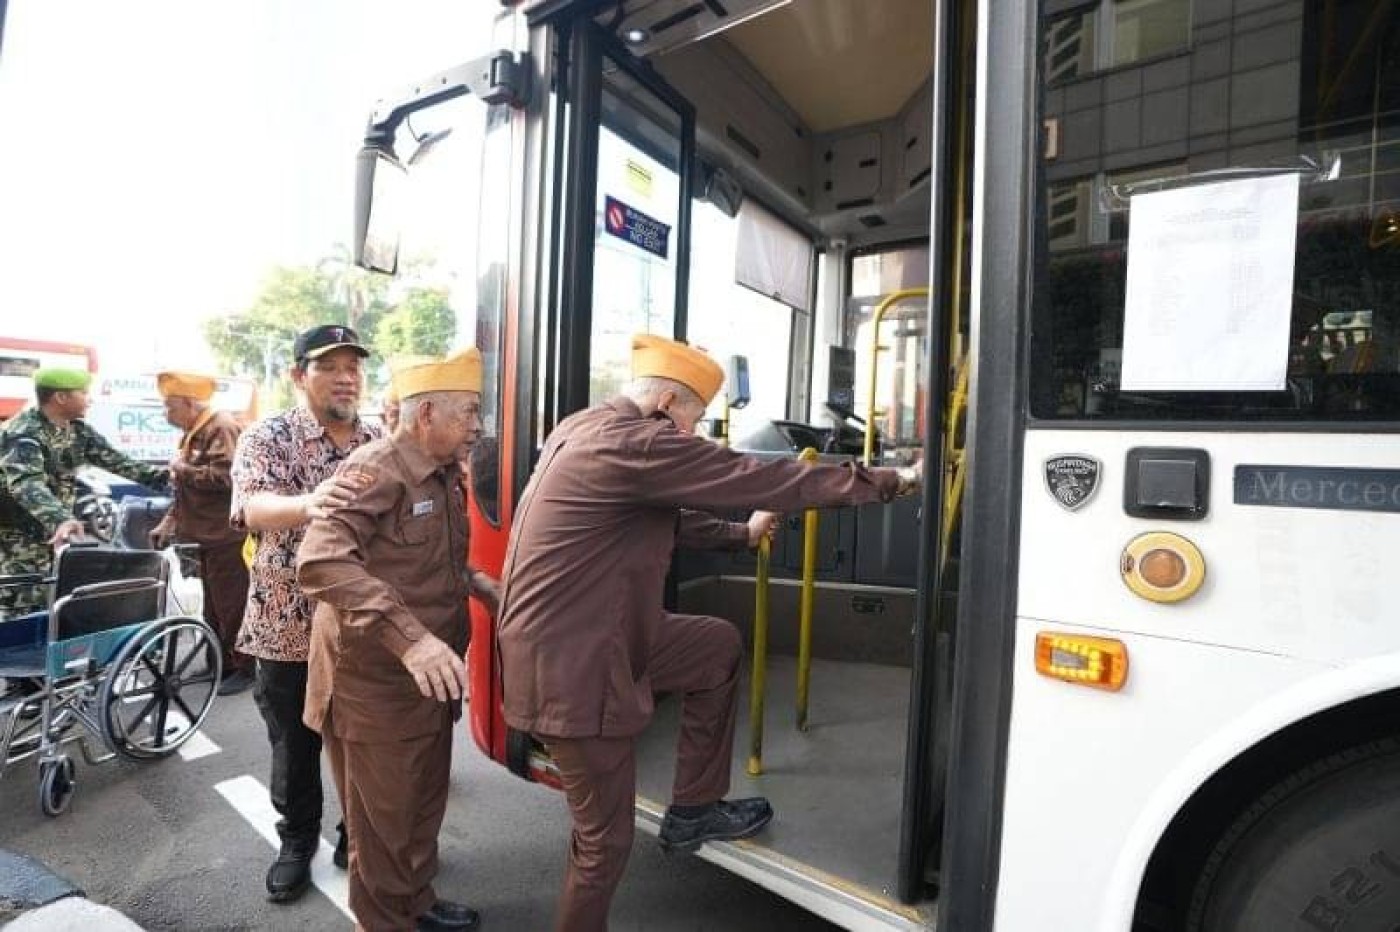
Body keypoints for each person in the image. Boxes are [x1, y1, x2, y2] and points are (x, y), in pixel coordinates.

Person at [496, 334, 922, 931]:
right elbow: (758, 477)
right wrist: (889, 481)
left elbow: (662, 515)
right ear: (667, 402)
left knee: (714, 647)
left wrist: (740, 536)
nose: (693, 433)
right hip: (574, 671)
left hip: (595, 637)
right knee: (603, 843)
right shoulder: (639, 441)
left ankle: (693, 809)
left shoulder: (587, 427)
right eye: (694, 419)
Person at [298, 349, 499, 932]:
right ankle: (387, 919)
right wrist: (412, 640)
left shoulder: (445, 471)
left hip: (428, 680)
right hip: (375, 686)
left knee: (421, 806)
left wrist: (482, 586)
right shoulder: (377, 468)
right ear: (426, 413)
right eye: (469, 412)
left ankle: (416, 902)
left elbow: (426, 562)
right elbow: (321, 561)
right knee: (383, 827)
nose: (478, 426)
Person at [230, 324, 380, 902]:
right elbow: (252, 505)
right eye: (330, 367)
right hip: (285, 621)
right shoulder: (268, 436)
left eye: (353, 367)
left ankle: (355, 834)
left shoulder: (377, 438)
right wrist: (307, 504)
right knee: (295, 744)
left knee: (362, 736)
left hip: (358, 623)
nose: (346, 378)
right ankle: (297, 841)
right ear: (299, 375)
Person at [0, 368, 169, 619]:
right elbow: (26, 483)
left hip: (54, 534)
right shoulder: (22, 433)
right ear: (61, 397)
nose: (90, 400)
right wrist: (60, 518)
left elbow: (120, 463)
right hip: (19, 535)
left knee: (53, 601)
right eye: (84, 393)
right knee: (21, 604)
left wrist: (170, 479)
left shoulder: (78, 431)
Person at [147, 371, 254, 696]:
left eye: (170, 406)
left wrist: (184, 470)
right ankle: (220, 661)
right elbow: (186, 492)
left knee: (232, 605)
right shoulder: (194, 432)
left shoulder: (220, 426)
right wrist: (169, 522)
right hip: (204, 536)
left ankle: (246, 667)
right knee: (212, 607)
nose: (165, 414)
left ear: (190, 403)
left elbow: (229, 477)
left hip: (227, 535)